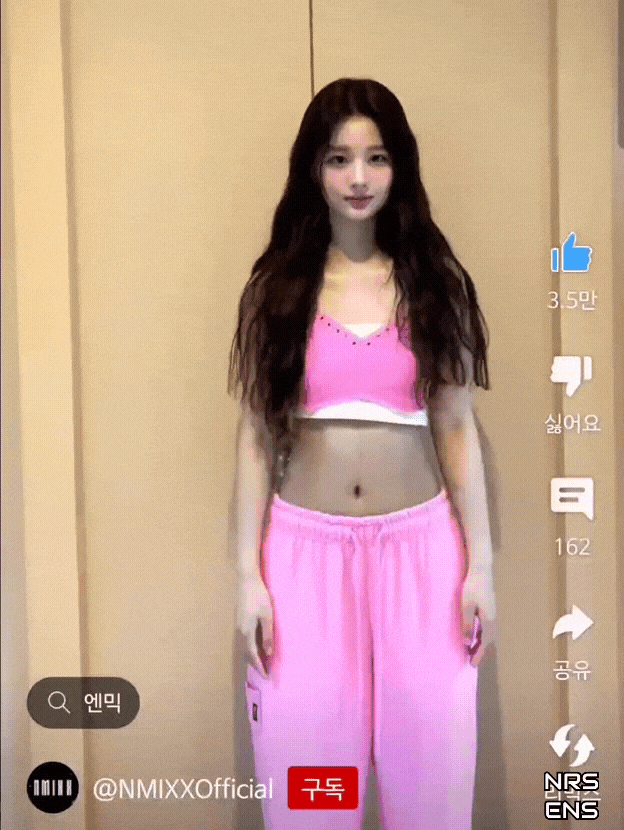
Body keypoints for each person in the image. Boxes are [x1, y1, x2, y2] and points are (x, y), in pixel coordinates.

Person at [229, 78, 496, 830]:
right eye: (338, 158)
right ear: (313, 169)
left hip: (421, 558)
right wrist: (248, 576)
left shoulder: (433, 285)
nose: (358, 177)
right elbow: (255, 435)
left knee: (431, 784)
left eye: (376, 158)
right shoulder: (279, 290)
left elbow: (455, 425)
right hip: (303, 563)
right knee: (310, 787)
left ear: (398, 167)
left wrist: (480, 566)